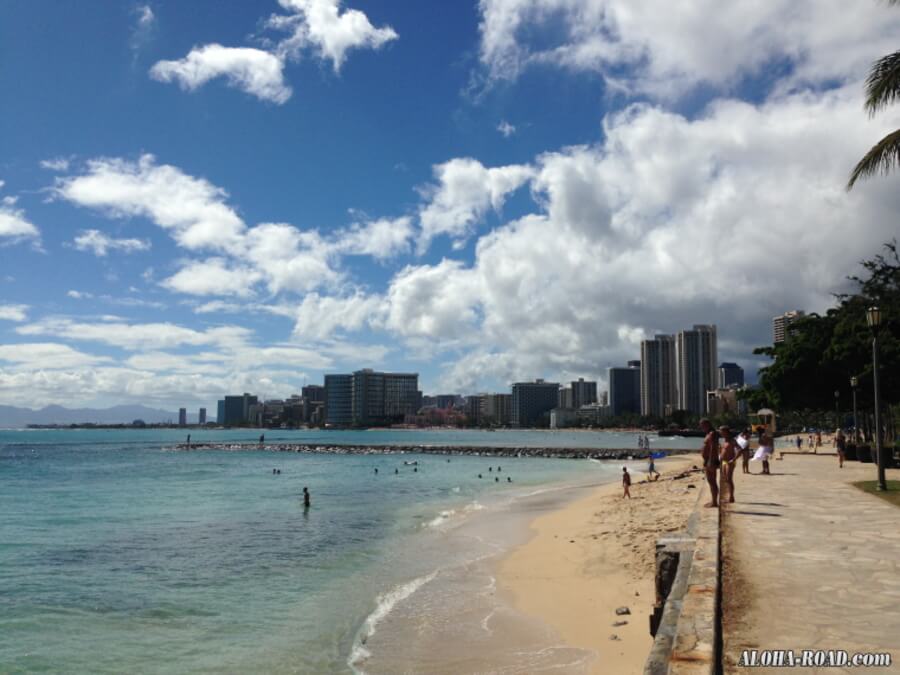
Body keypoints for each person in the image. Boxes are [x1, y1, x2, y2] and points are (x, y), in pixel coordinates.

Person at [699, 419, 720, 507]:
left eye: (702, 425)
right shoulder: (709, 434)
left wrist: (710, 461)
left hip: (710, 460)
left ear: (708, 424)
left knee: (712, 481)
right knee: (711, 481)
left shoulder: (712, 433)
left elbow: (713, 448)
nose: (701, 427)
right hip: (708, 460)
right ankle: (713, 500)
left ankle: (714, 502)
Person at [719, 426, 738, 503]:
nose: (720, 433)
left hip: (730, 462)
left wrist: (733, 459)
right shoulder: (725, 440)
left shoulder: (732, 440)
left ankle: (731, 497)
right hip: (724, 461)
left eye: (721, 431)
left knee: (729, 479)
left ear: (726, 432)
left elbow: (739, 449)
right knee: (725, 479)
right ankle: (728, 496)